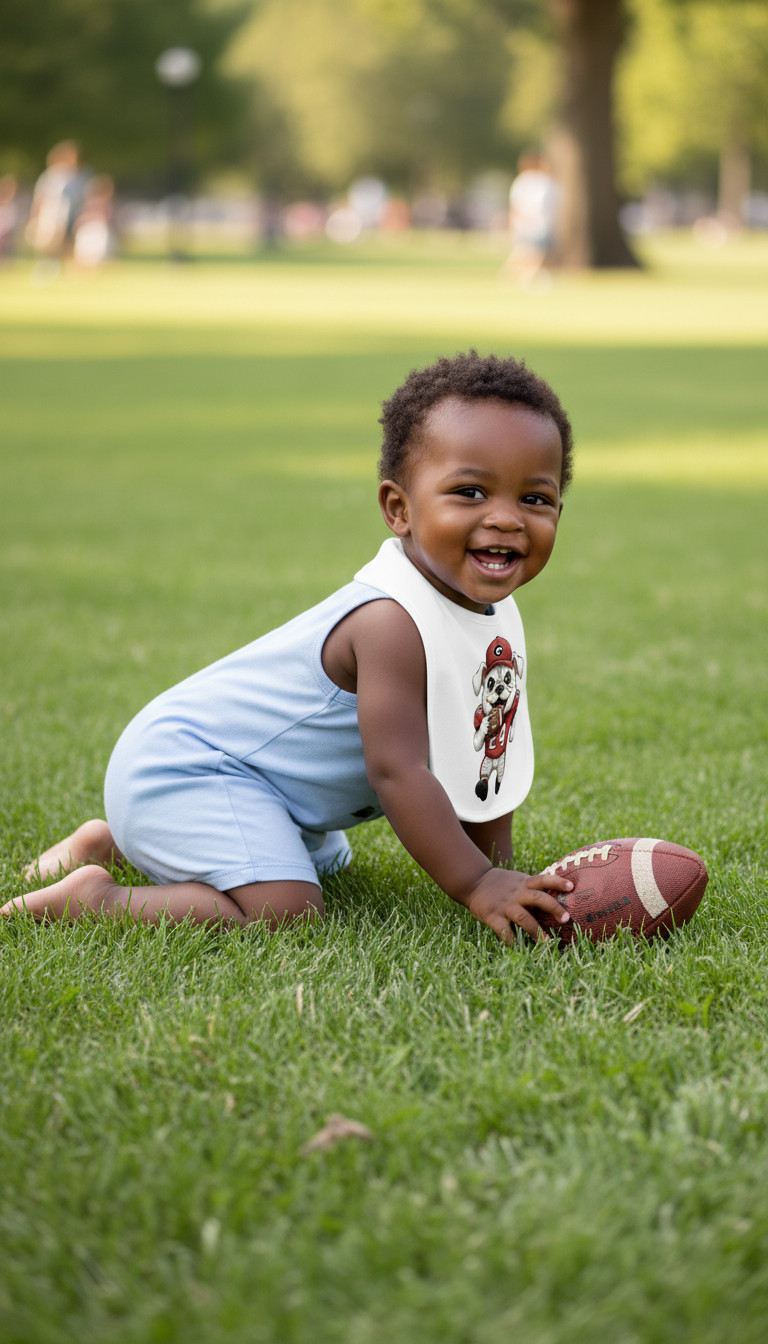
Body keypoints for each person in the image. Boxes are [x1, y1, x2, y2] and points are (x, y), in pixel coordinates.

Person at [5, 352, 576, 945]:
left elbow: (486, 756)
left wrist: (504, 874)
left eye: (534, 499)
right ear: (399, 509)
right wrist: (477, 883)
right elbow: (398, 772)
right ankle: (96, 898)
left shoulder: (494, 618)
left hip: (269, 792)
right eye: (470, 492)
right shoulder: (391, 623)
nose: (506, 519)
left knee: (330, 866)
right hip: (187, 768)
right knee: (288, 908)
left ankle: (113, 842)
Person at [25, 140, 90, 263]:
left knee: (68, 243)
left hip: (73, 215)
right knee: (50, 242)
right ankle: (49, 263)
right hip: (52, 215)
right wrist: (35, 217)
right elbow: (40, 197)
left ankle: (63, 264)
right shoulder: (52, 175)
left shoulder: (81, 176)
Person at [505, 153, 559, 288]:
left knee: (534, 253)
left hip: (538, 224)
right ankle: (522, 276)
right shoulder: (527, 182)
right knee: (530, 253)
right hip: (529, 224)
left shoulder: (541, 182)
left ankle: (526, 276)